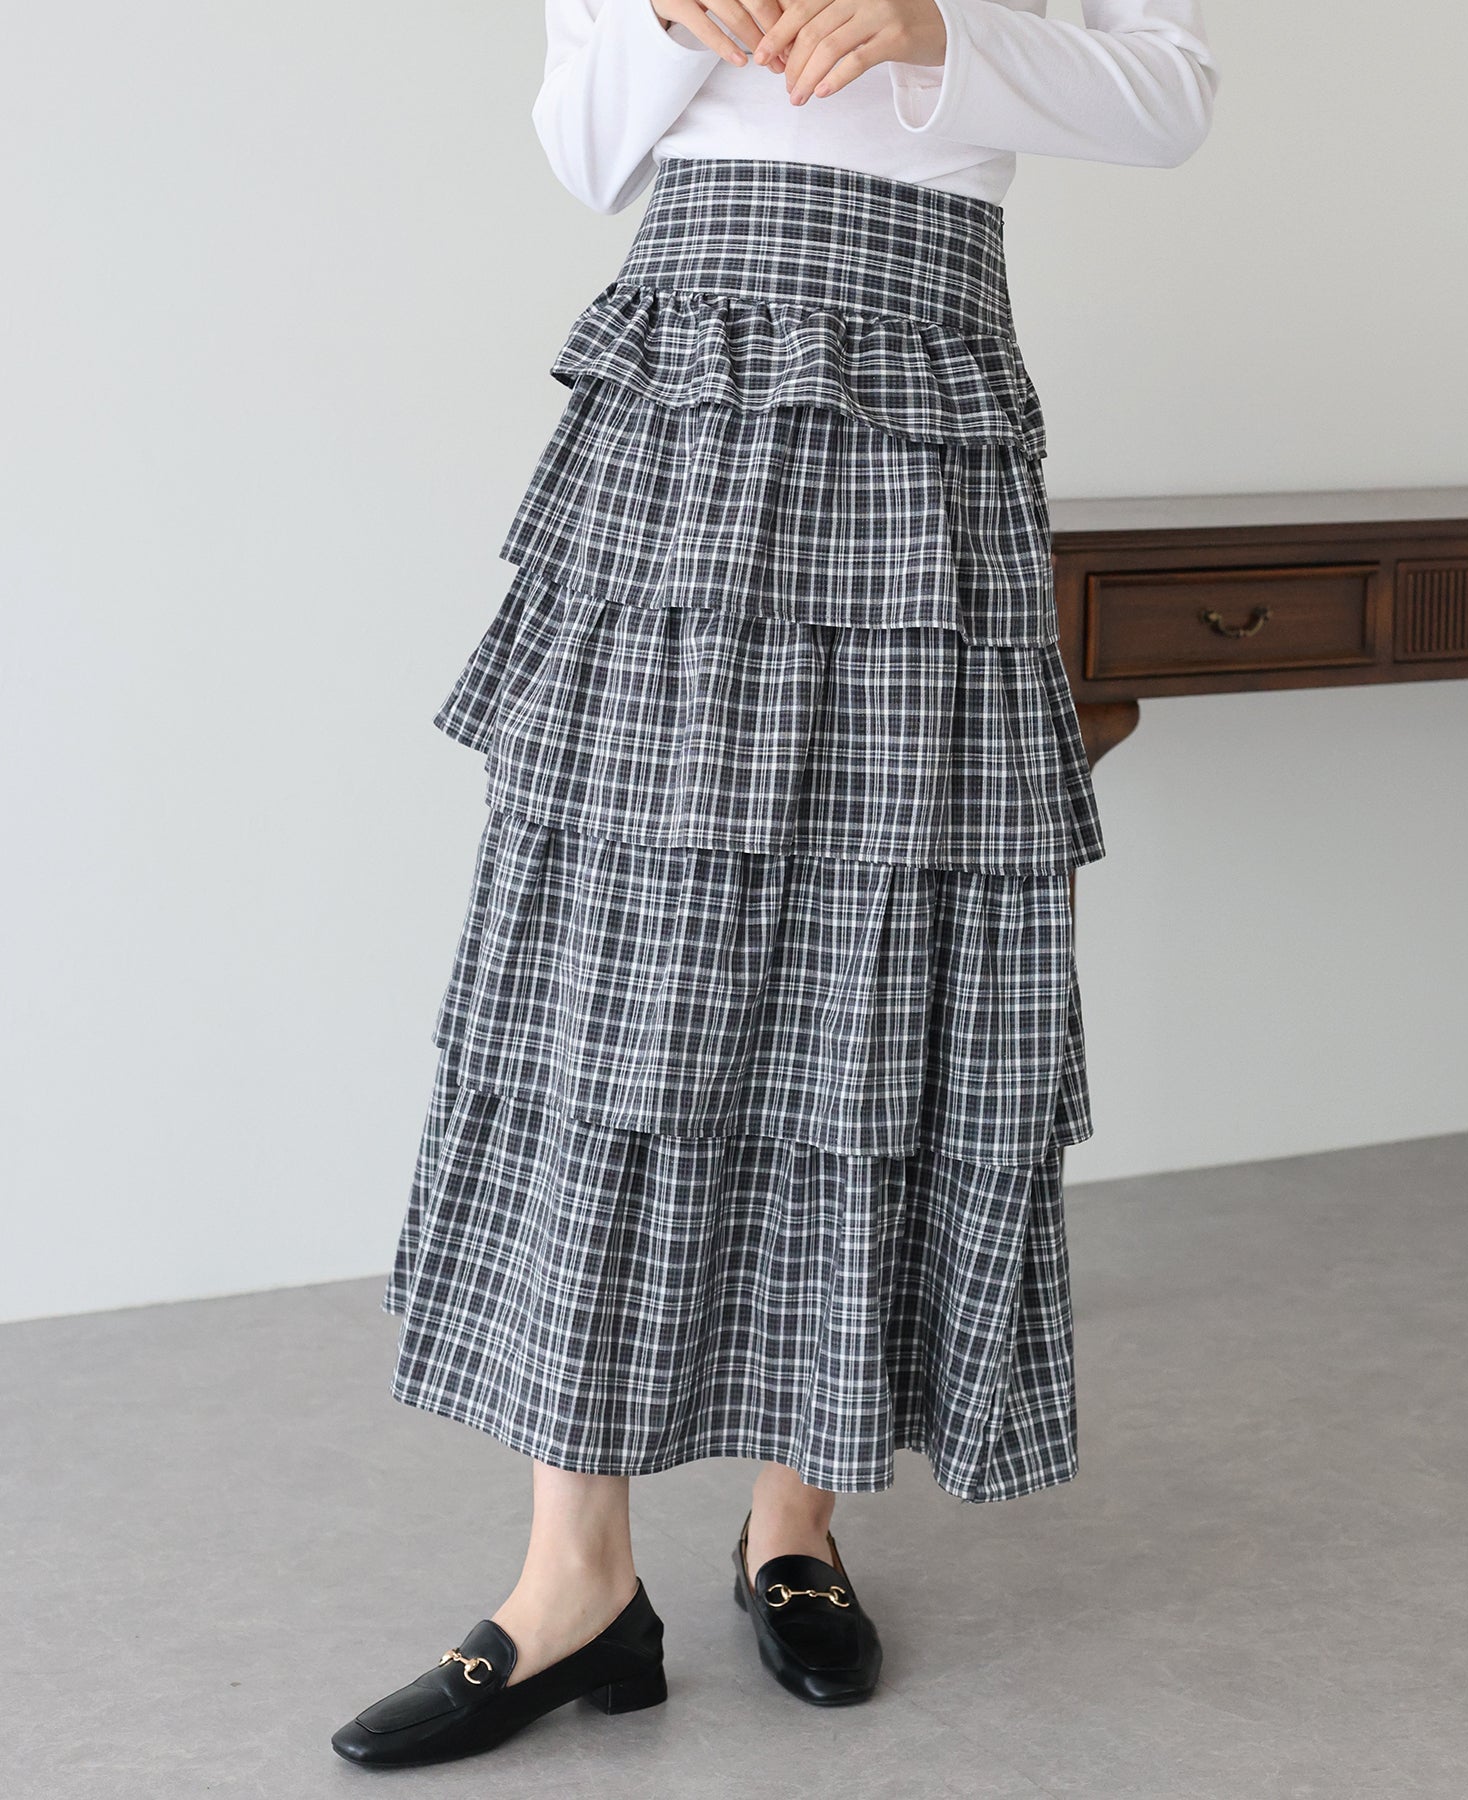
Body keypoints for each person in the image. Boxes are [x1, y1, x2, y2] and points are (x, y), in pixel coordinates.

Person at [331, 0, 1220, 1769]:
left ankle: (795, 1522)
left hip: (924, 408)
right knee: (616, 965)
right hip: (682, 403)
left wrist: (931, 27)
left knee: (872, 957)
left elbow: (1171, 92)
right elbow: (587, 146)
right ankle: (575, 1581)